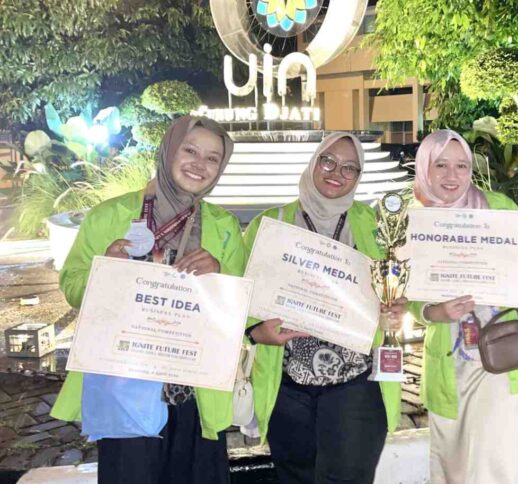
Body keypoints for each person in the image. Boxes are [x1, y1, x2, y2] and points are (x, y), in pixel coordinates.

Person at [50, 116, 246, 483]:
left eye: (213, 158)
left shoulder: (223, 227)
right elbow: (73, 287)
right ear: (168, 150)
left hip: (194, 393)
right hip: (124, 389)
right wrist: (107, 270)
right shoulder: (110, 216)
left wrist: (220, 275)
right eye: (190, 150)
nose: (199, 164)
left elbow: (240, 311)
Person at [242, 132, 406, 484]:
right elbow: (242, 296)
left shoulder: (375, 224)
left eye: (350, 167)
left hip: (355, 386)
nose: (336, 173)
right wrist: (255, 332)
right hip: (287, 387)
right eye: (328, 161)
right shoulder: (270, 224)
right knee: (294, 477)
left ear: (359, 176)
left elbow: (397, 287)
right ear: (314, 162)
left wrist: (394, 308)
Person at [408, 129, 518, 483]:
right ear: (425, 168)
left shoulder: (500, 208)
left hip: (500, 352)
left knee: (495, 462)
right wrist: (433, 312)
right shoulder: (417, 219)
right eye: (440, 165)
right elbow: (406, 293)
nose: (452, 175)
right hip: (450, 359)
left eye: (461, 165)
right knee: (452, 463)